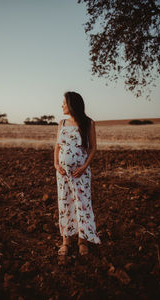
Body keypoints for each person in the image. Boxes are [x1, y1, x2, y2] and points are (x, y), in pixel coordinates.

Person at [54, 91, 101, 256]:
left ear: (72, 104)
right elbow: (57, 146)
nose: (62, 105)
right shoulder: (62, 123)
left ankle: (83, 241)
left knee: (82, 204)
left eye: (64, 103)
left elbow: (93, 148)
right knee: (65, 204)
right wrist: (56, 164)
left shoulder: (88, 123)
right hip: (63, 174)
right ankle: (65, 241)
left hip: (80, 174)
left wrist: (84, 167)